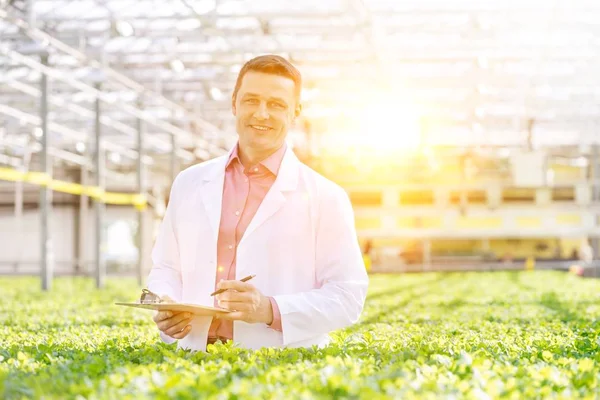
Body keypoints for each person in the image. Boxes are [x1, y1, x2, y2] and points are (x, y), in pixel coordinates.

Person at [146, 55, 369, 352]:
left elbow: (347, 296)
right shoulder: (188, 183)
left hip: (279, 363)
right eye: (251, 100)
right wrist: (165, 302)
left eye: (276, 104)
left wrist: (269, 309)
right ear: (234, 103)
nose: (261, 114)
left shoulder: (326, 196)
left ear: (295, 113)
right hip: (192, 355)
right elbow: (166, 267)